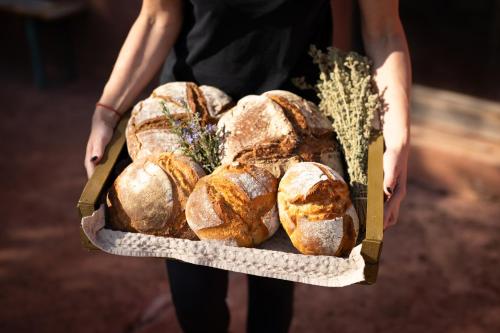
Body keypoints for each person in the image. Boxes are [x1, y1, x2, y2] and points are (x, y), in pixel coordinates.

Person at [84, 0, 411, 332]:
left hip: (292, 135)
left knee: (273, 293)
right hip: (189, 125)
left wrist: (398, 140)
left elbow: (384, 31)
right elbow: (156, 18)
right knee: (195, 300)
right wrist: (107, 111)